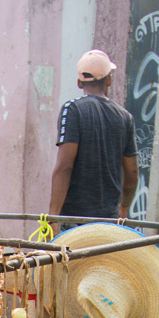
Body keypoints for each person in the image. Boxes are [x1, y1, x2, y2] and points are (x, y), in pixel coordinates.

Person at [49, 50, 139, 227]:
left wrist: (52, 218)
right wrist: (124, 209)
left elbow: (64, 167)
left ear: (79, 82)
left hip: (74, 221)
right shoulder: (125, 118)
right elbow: (132, 174)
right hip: (109, 221)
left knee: (72, 256)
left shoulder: (73, 110)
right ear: (109, 80)